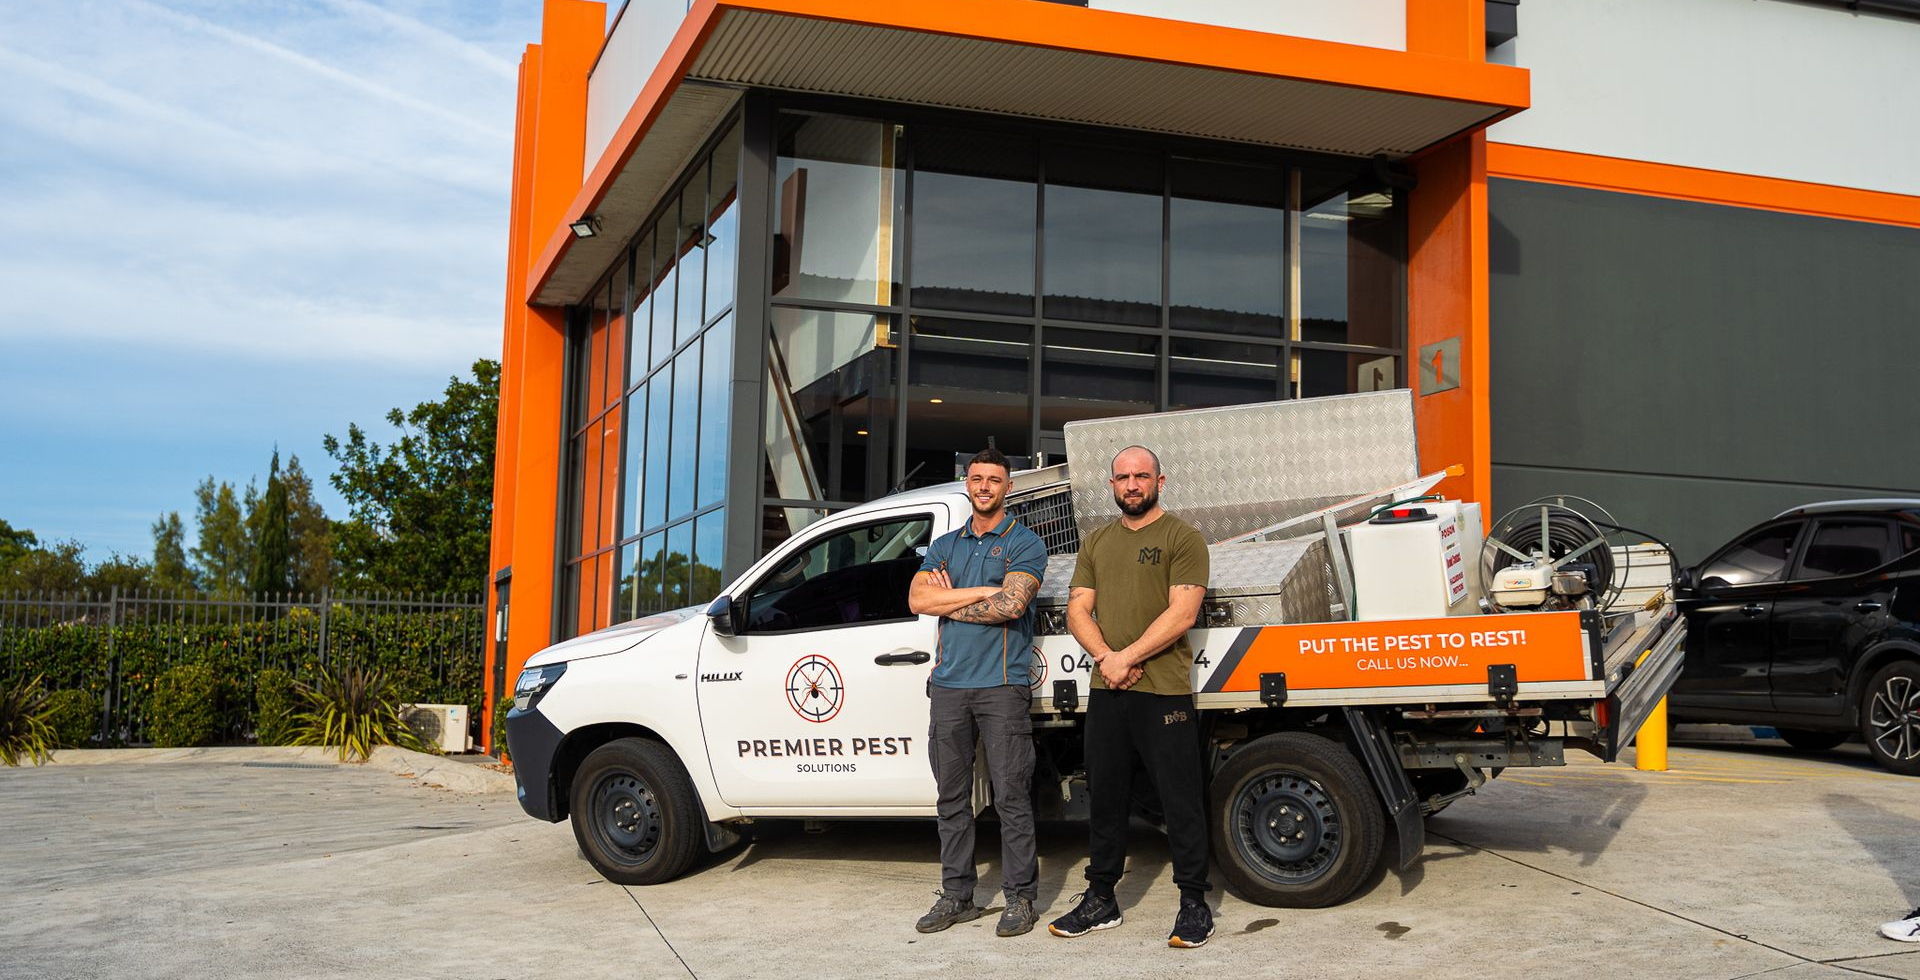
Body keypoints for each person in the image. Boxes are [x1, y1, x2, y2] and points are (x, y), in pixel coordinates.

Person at [1047, 444, 1215, 949]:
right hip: (1107, 689)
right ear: (1113, 485)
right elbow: (1079, 610)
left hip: (1163, 691)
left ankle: (1193, 903)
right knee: (1106, 797)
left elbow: (1182, 614)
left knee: (1180, 798)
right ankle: (1101, 899)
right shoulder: (1097, 542)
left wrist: (1127, 656)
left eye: (1142, 476)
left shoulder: (1183, 537)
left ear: (1160, 482)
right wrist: (1107, 659)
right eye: (1123, 477)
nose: (1132, 485)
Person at [906, 447, 1049, 938]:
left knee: (1011, 797)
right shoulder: (944, 544)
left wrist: (949, 601)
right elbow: (917, 598)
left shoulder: (1026, 543)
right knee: (951, 799)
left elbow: (1011, 606)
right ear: (966, 484)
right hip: (948, 688)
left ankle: (1020, 899)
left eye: (994, 479)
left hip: (1002, 687)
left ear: (1008, 486)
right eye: (976, 478)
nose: (984, 486)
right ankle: (957, 895)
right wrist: (977, 592)